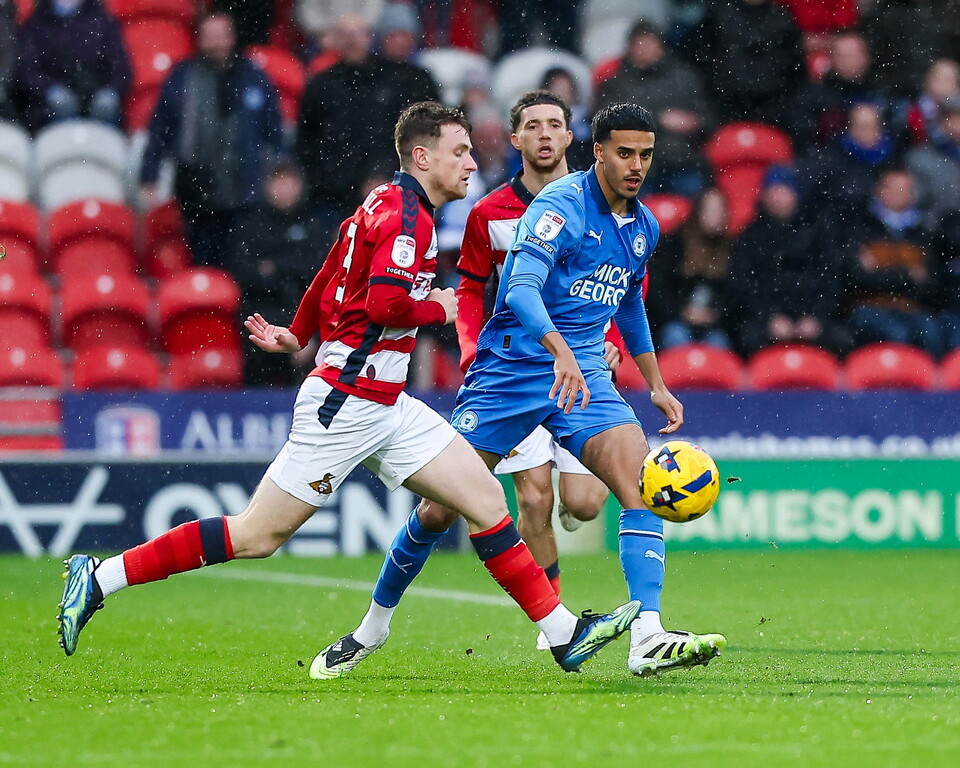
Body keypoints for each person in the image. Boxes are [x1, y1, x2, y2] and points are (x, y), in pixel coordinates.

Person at [58, 102, 640, 677]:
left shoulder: (381, 202)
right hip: (347, 402)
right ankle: (102, 576)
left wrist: (299, 331)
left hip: (388, 403)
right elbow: (386, 304)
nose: (470, 163)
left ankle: (563, 634)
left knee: (486, 500)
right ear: (422, 157)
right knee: (256, 534)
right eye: (460, 152)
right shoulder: (410, 218)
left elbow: (334, 264)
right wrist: (437, 309)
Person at [315, 102, 726, 680]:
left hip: (583, 375)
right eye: (625, 153)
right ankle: (372, 628)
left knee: (640, 486)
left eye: (646, 155)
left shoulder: (644, 227)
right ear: (598, 152)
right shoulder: (559, 206)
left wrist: (655, 383)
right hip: (511, 372)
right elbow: (520, 291)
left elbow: (630, 302)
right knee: (438, 510)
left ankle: (648, 636)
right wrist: (559, 350)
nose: (636, 165)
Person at [456, 91, 617, 601]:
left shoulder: (602, 202)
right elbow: (469, 288)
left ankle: (576, 505)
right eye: (532, 125)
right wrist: (469, 348)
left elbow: (625, 280)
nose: (543, 134)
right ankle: (555, 621)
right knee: (533, 498)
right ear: (515, 139)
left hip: (583, 365)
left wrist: (613, 340)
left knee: (585, 502)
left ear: (570, 137)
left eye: (553, 124)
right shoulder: (488, 213)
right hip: (515, 367)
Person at [139, 12, 284, 268]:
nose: (217, 42)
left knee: (240, 263)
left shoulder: (253, 76)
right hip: (195, 187)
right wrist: (149, 173)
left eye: (222, 35)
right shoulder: (183, 76)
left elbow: (273, 130)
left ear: (233, 37)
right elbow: (161, 127)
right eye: (210, 36)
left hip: (244, 186)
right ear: (199, 39)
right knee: (202, 261)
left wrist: (277, 170)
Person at [296, 13, 439, 223]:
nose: (352, 40)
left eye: (358, 33)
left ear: (371, 36)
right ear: (335, 40)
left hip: (396, 189)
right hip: (336, 198)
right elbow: (307, 141)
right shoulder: (321, 85)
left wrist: (383, 174)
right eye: (345, 34)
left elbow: (418, 132)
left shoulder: (400, 80)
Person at [727, 165, 850, 355]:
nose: (779, 198)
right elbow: (742, 284)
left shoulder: (818, 234)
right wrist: (769, 316)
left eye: (784, 191)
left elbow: (832, 280)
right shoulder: (750, 236)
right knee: (747, 340)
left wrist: (816, 317)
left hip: (814, 318)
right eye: (774, 191)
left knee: (843, 341)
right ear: (764, 196)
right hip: (764, 320)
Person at [229, 160, 327, 386]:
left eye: (289, 181)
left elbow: (318, 275)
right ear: (267, 185)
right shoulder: (251, 225)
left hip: (303, 322)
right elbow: (244, 273)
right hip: (260, 322)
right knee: (257, 384)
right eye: (278, 181)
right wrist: (290, 269)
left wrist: (310, 335)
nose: (284, 188)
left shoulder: (314, 225)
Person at [594, 19, 714, 196]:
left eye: (649, 43)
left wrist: (694, 123)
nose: (644, 49)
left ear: (661, 46)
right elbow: (604, 124)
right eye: (639, 44)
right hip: (635, 166)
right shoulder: (616, 84)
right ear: (629, 48)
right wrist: (658, 119)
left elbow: (709, 119)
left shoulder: (684, 79)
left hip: (682, 161)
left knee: (702, 196)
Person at [14, 0, 131, 132]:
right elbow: (26, 71)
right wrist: (49, 90)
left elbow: (122, 70)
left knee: (107, 109)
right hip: (50, 110)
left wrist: (111, 92)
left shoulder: (102, 21)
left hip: (97, 105)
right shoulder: (36, 24)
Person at [645, 188, 734, 350]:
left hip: (715, 327)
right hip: (673, 322)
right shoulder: (674, 246)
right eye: (710, 209)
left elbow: (737, 295)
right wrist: (682, 312)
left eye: (719, 210)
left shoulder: (732, 250)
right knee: (675, 336)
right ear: (698, 212)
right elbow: (658, 291)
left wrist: (715, 315)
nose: (715, 216)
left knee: (719, 343)